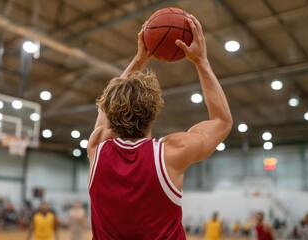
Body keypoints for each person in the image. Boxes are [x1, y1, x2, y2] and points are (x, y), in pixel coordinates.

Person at [87, 15, 232, 239]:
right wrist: (201, 61)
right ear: (154, 111)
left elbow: (105, 110)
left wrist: (139, 59)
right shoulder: (171, 152)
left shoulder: (97, 148)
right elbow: (222, 122)